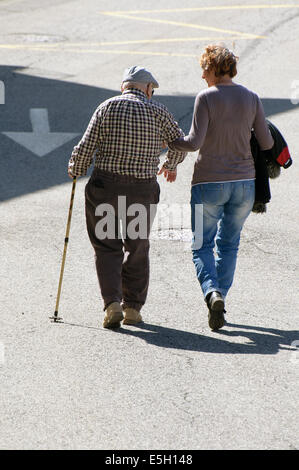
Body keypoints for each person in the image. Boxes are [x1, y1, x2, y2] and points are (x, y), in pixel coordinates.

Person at [164, 45, 274, 331]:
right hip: (244, 184)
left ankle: (212, 292)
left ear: (215, 68)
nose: (202, 75)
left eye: (204, 69)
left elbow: (194, 142)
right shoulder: (251, 97)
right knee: (229, 244)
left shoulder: (206, 97)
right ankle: (220, 297)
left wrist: (169, 141)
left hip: (209, 183)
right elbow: (267, 144)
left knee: (202, 244)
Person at [68, 66, 186, 328]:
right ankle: (132, 308)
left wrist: (76, 168)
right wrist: (170, 165)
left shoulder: (107, 106)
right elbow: (180, 143)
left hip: (105, 187)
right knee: (137, 246)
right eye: (151, 90)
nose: (152, 93)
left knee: (107, 244)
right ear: (146, 88)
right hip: (141, 190)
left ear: (124, 86)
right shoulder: (159, 111)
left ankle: (111, 304)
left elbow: (87, 145)